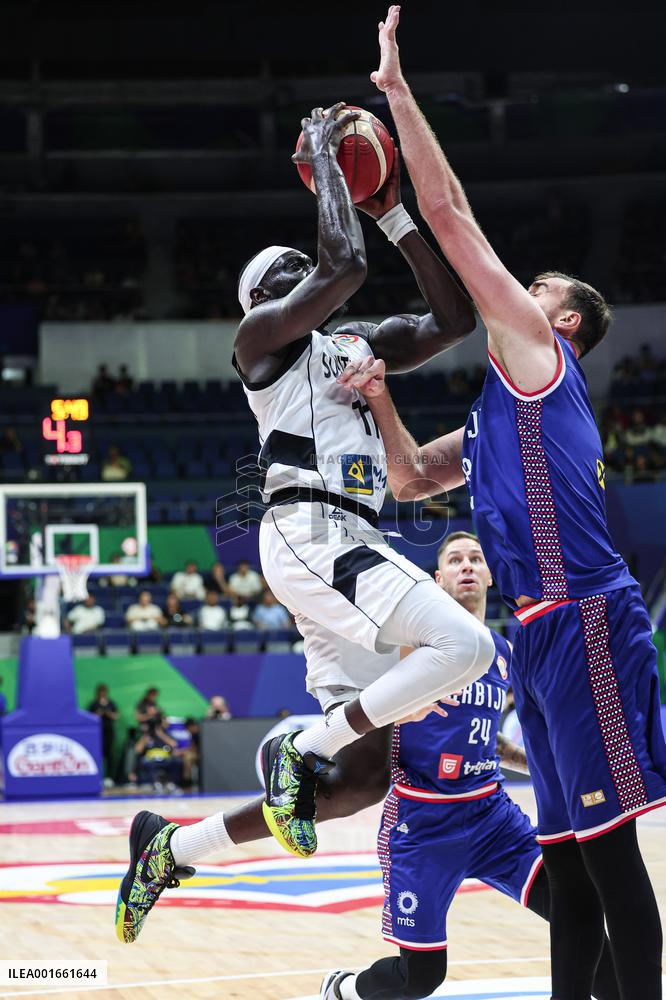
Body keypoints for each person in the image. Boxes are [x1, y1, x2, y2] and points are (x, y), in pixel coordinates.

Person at [341, 9, 666, 998]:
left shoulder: (539, 354)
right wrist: (383, 400)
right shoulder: (493, 418)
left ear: (562, 319)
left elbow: (454, 222)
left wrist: (397, 96)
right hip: (536, 638)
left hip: (589, 617)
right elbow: (406, 479)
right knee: (566, 862)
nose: (520, 289)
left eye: (539, 287)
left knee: (610, 859)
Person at [116, 102, 494, 946]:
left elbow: (455, 321)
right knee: (468, 647)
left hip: (347, 542)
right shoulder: (259, 344)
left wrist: (391, 208)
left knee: (359, 779)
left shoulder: (354, 345)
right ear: (267, 301)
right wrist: (325, 154)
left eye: (302, 269)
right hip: (309, 532)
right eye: (289, 274)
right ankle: (302, 743)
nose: (304, 275)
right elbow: (342, 264)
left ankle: (172, 848)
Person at [321, 533, 619, 1000]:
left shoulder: (502, 652)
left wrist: (539, 763)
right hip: (422, 823)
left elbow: (484, 735)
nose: (466, 566)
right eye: (455, 560)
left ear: (489, 575)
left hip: (491, 816)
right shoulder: (408, 649)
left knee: (577, 907)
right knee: (420, 978)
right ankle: (344, 990)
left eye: (476, 559)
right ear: (437, 580)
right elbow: (366, 719)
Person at [87, 683, 119, 780]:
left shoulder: (111, 703)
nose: (102, 694)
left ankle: (109, 777)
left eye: (104, 692)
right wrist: (98, 713)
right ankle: (98, 776)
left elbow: (116, 716)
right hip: (97, 733)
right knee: (97, 754)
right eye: (100, 692)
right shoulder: (94, 704)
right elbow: (89, 717)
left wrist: (108, 713)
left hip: (109, 732)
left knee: (109, 755)